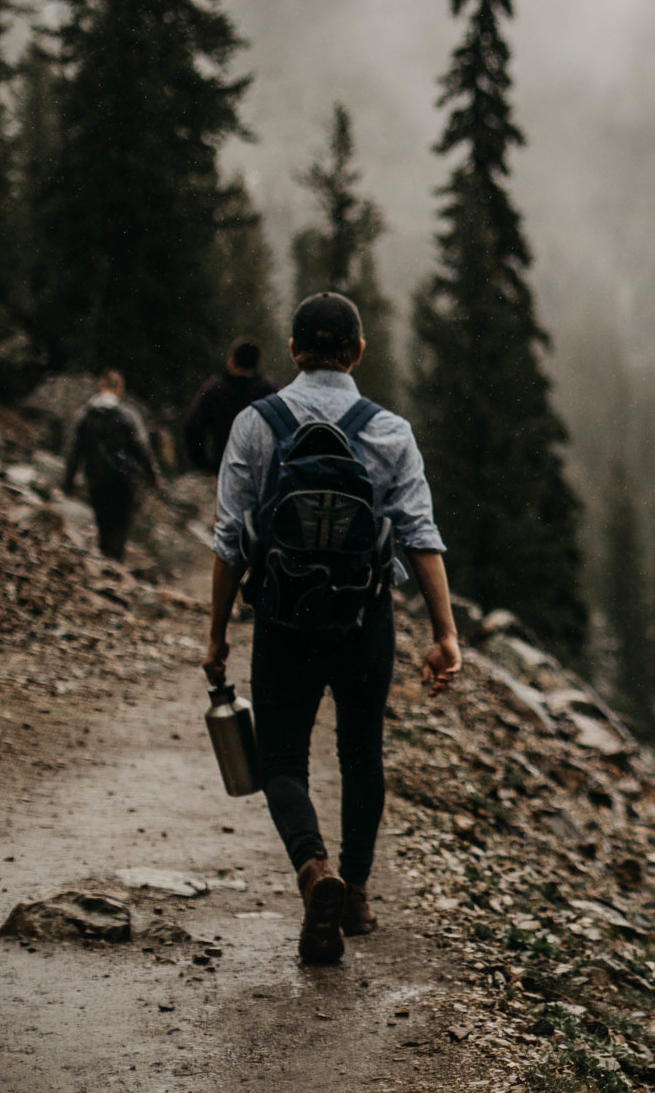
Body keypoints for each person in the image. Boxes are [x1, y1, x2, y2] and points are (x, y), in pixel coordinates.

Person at [201, 292, 461, 966]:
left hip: (283, 620)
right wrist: (445, 632)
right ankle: (358, 891)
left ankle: (315, 872)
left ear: (292, 349)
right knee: (360, 752)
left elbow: (230, 539)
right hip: (363, 620)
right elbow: (419, 534)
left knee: (282, 758)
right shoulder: (390, 430)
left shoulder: (256, 422)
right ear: (358, 351)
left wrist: (217, 635)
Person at [61, 370, 158, 563]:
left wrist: (69, 481)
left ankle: (106, 563)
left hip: (97, 478)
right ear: (119, 388)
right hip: (125, 480)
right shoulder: (129, 414)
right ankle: (114, 564)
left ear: (100, 386)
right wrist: (152, 475)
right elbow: (142, 447)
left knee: (104, 524)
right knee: (121, 526)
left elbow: (75, 451)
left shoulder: (85, 414)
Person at [183, 338, 278, 473]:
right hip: (261, 468)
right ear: (258, 363)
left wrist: (203, 463)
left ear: (232, 360)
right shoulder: (269, 389)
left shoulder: (214, 389)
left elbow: (192, 427)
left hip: (225, 466)